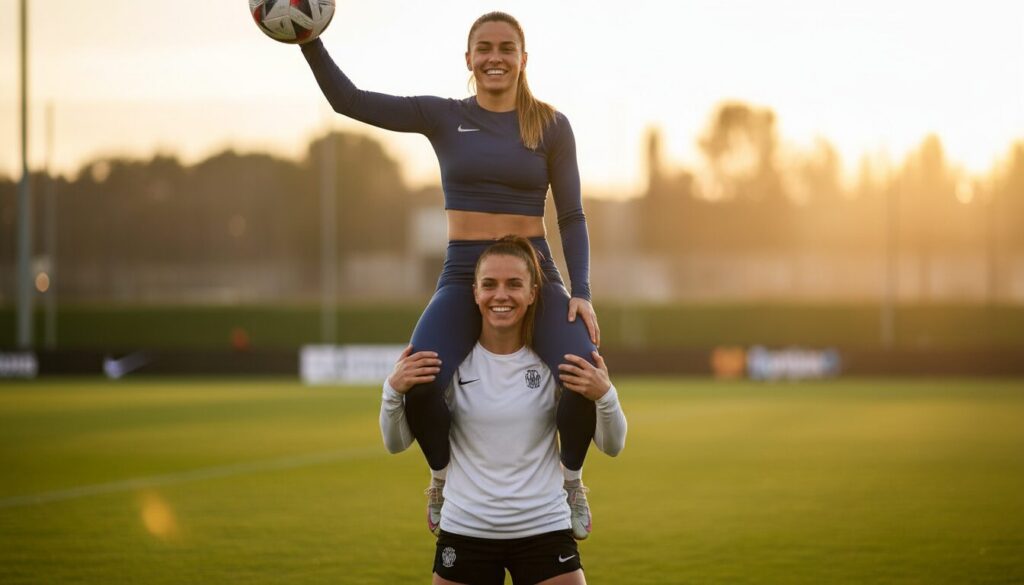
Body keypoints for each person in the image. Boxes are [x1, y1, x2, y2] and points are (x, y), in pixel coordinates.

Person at [301, 12, 602, 537]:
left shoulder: (552, 126)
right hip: (464, 272)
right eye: (484, 48)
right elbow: (348, 100)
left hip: (534, 272)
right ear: (468, 58)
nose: (495, 58)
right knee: (419, 381)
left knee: (582, 375)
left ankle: (571, 482)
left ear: (523, 59)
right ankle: (441, 479)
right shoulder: (442, 116)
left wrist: (582, 291)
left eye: (506, 48)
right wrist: (309, 41)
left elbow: (572, 215)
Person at [381, 236, 626, 585]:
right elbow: (395, 444)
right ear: (474, 292)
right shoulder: (449, 364)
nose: (501, 295)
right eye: (489, 284)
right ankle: (439, 486)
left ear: (533, 293)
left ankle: (573, 489)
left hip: (544, 527)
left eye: (514, 284)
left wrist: (606, 395)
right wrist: (392, 390)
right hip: (465, 529)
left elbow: (613, 446)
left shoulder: (554, 364)